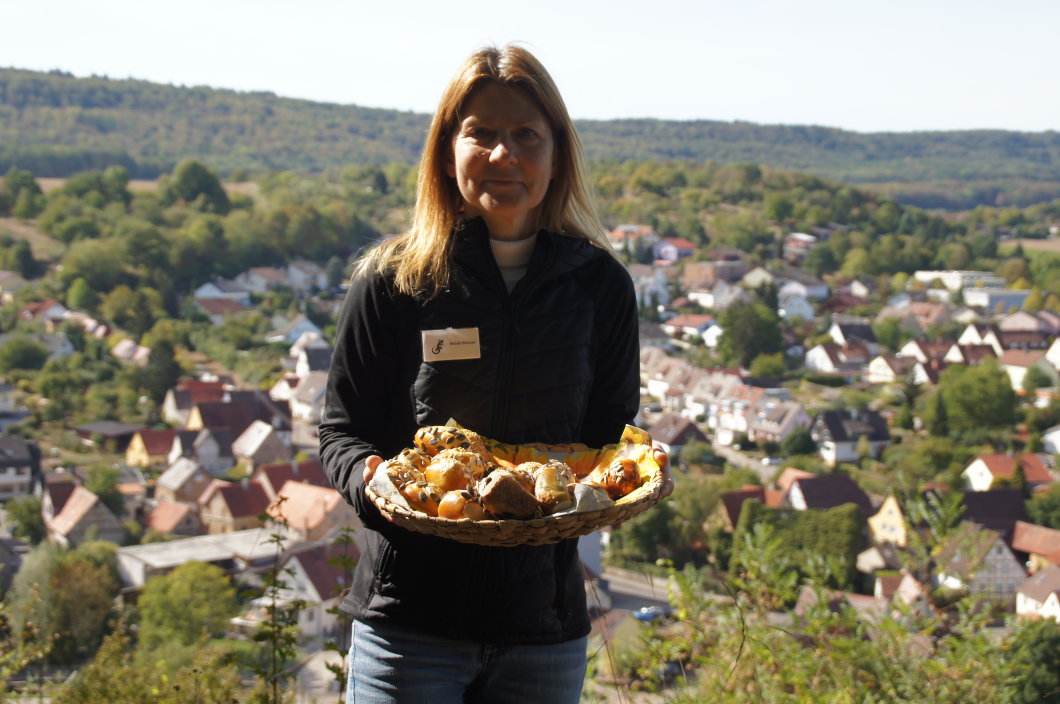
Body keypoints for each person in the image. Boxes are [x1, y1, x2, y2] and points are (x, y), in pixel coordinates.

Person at [319, 44, 671, 703]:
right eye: (480, 133)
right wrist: (375, 483)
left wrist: (632, 479)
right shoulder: (394, 282)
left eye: (526, 136)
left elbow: (609, 445)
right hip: (408, 623)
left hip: (542, 630)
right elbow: (342, 433)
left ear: (558, 152)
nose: (504, 155)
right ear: (446, 148)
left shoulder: (601, 288)